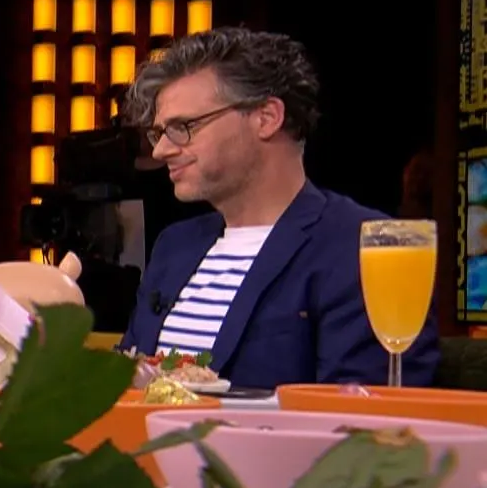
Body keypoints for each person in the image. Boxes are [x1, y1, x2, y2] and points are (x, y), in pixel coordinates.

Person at [118, 27, 437, 388]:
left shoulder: (360, 248)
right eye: (158, 133)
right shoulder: (174, 246)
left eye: (183, 127)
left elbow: (365, 413)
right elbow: (125, 379)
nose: (161, 151)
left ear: (267, 118)